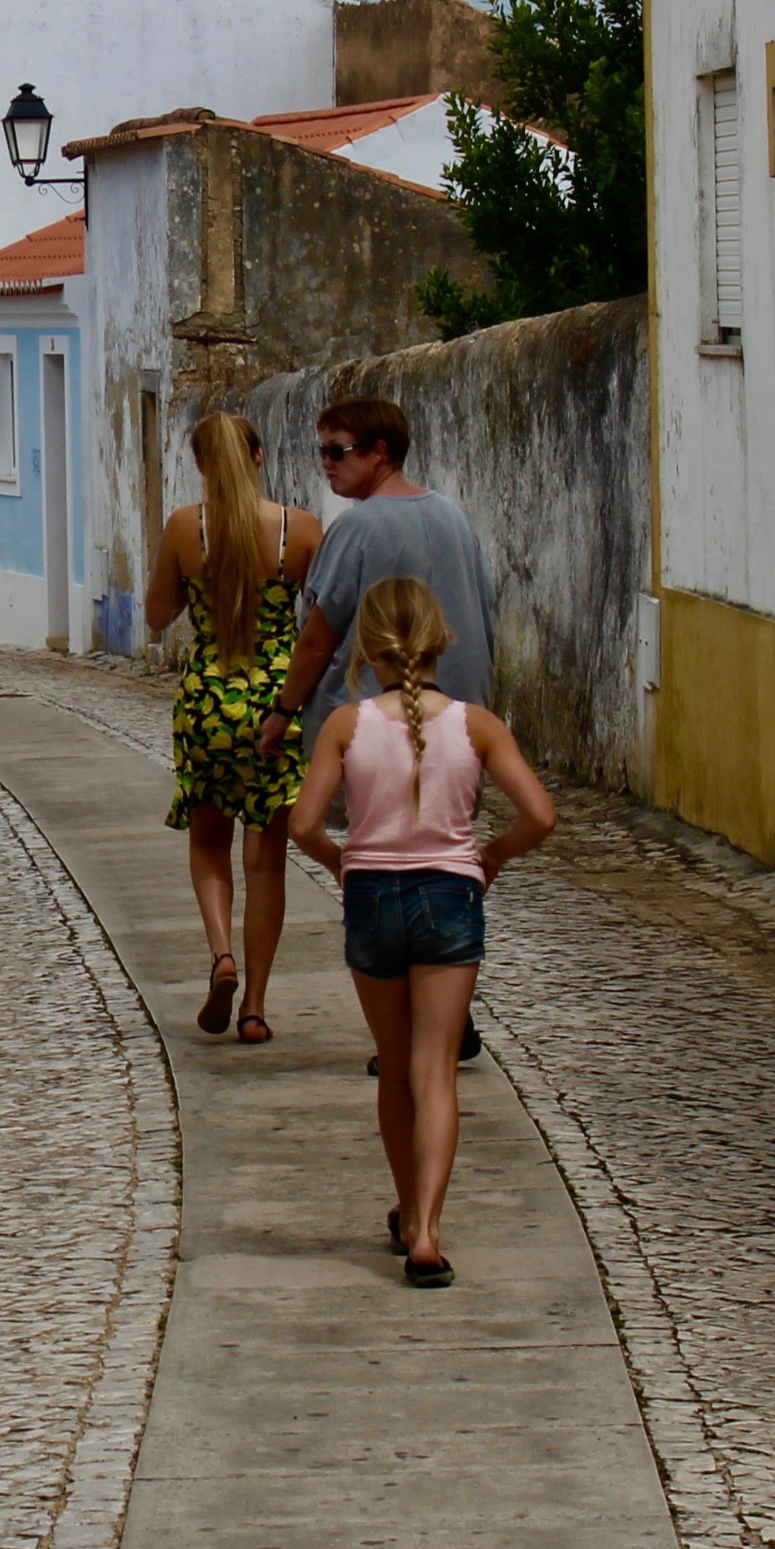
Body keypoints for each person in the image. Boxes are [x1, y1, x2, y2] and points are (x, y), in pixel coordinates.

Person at [289, 577, 557, 1289]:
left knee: (393, 1062)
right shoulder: (477, 725)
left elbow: (303, 824)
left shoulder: (346, 727)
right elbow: (540, 815)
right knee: (435, 1070)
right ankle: (429, 1235)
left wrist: (343, 863)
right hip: (449, 897)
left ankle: (407, 1209)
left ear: (366, 650)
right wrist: (491, 855)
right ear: (445, 640)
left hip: (372, 897)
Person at [258, 395, 499, 1066]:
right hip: (457, 714)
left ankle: (411, 1030)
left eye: (339, 451)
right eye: (322, 452)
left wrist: (283, 712)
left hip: (378, 718)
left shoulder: (357, 531)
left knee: (386, 862)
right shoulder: (453, 516)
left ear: (379, 453)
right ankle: (451, 1015)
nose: (327, 465)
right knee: (437, 852)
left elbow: (317, 637)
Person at [144, 411, 323, 1044]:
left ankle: (219, 954)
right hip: (278, 705)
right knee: (266, 862)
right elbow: (326, 622)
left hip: (207, 702)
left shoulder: (183, 530)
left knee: (208, 841)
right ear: (259, 455)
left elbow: (158, 616)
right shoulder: (298, 531)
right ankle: (255, 1005)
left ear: (199, 465)